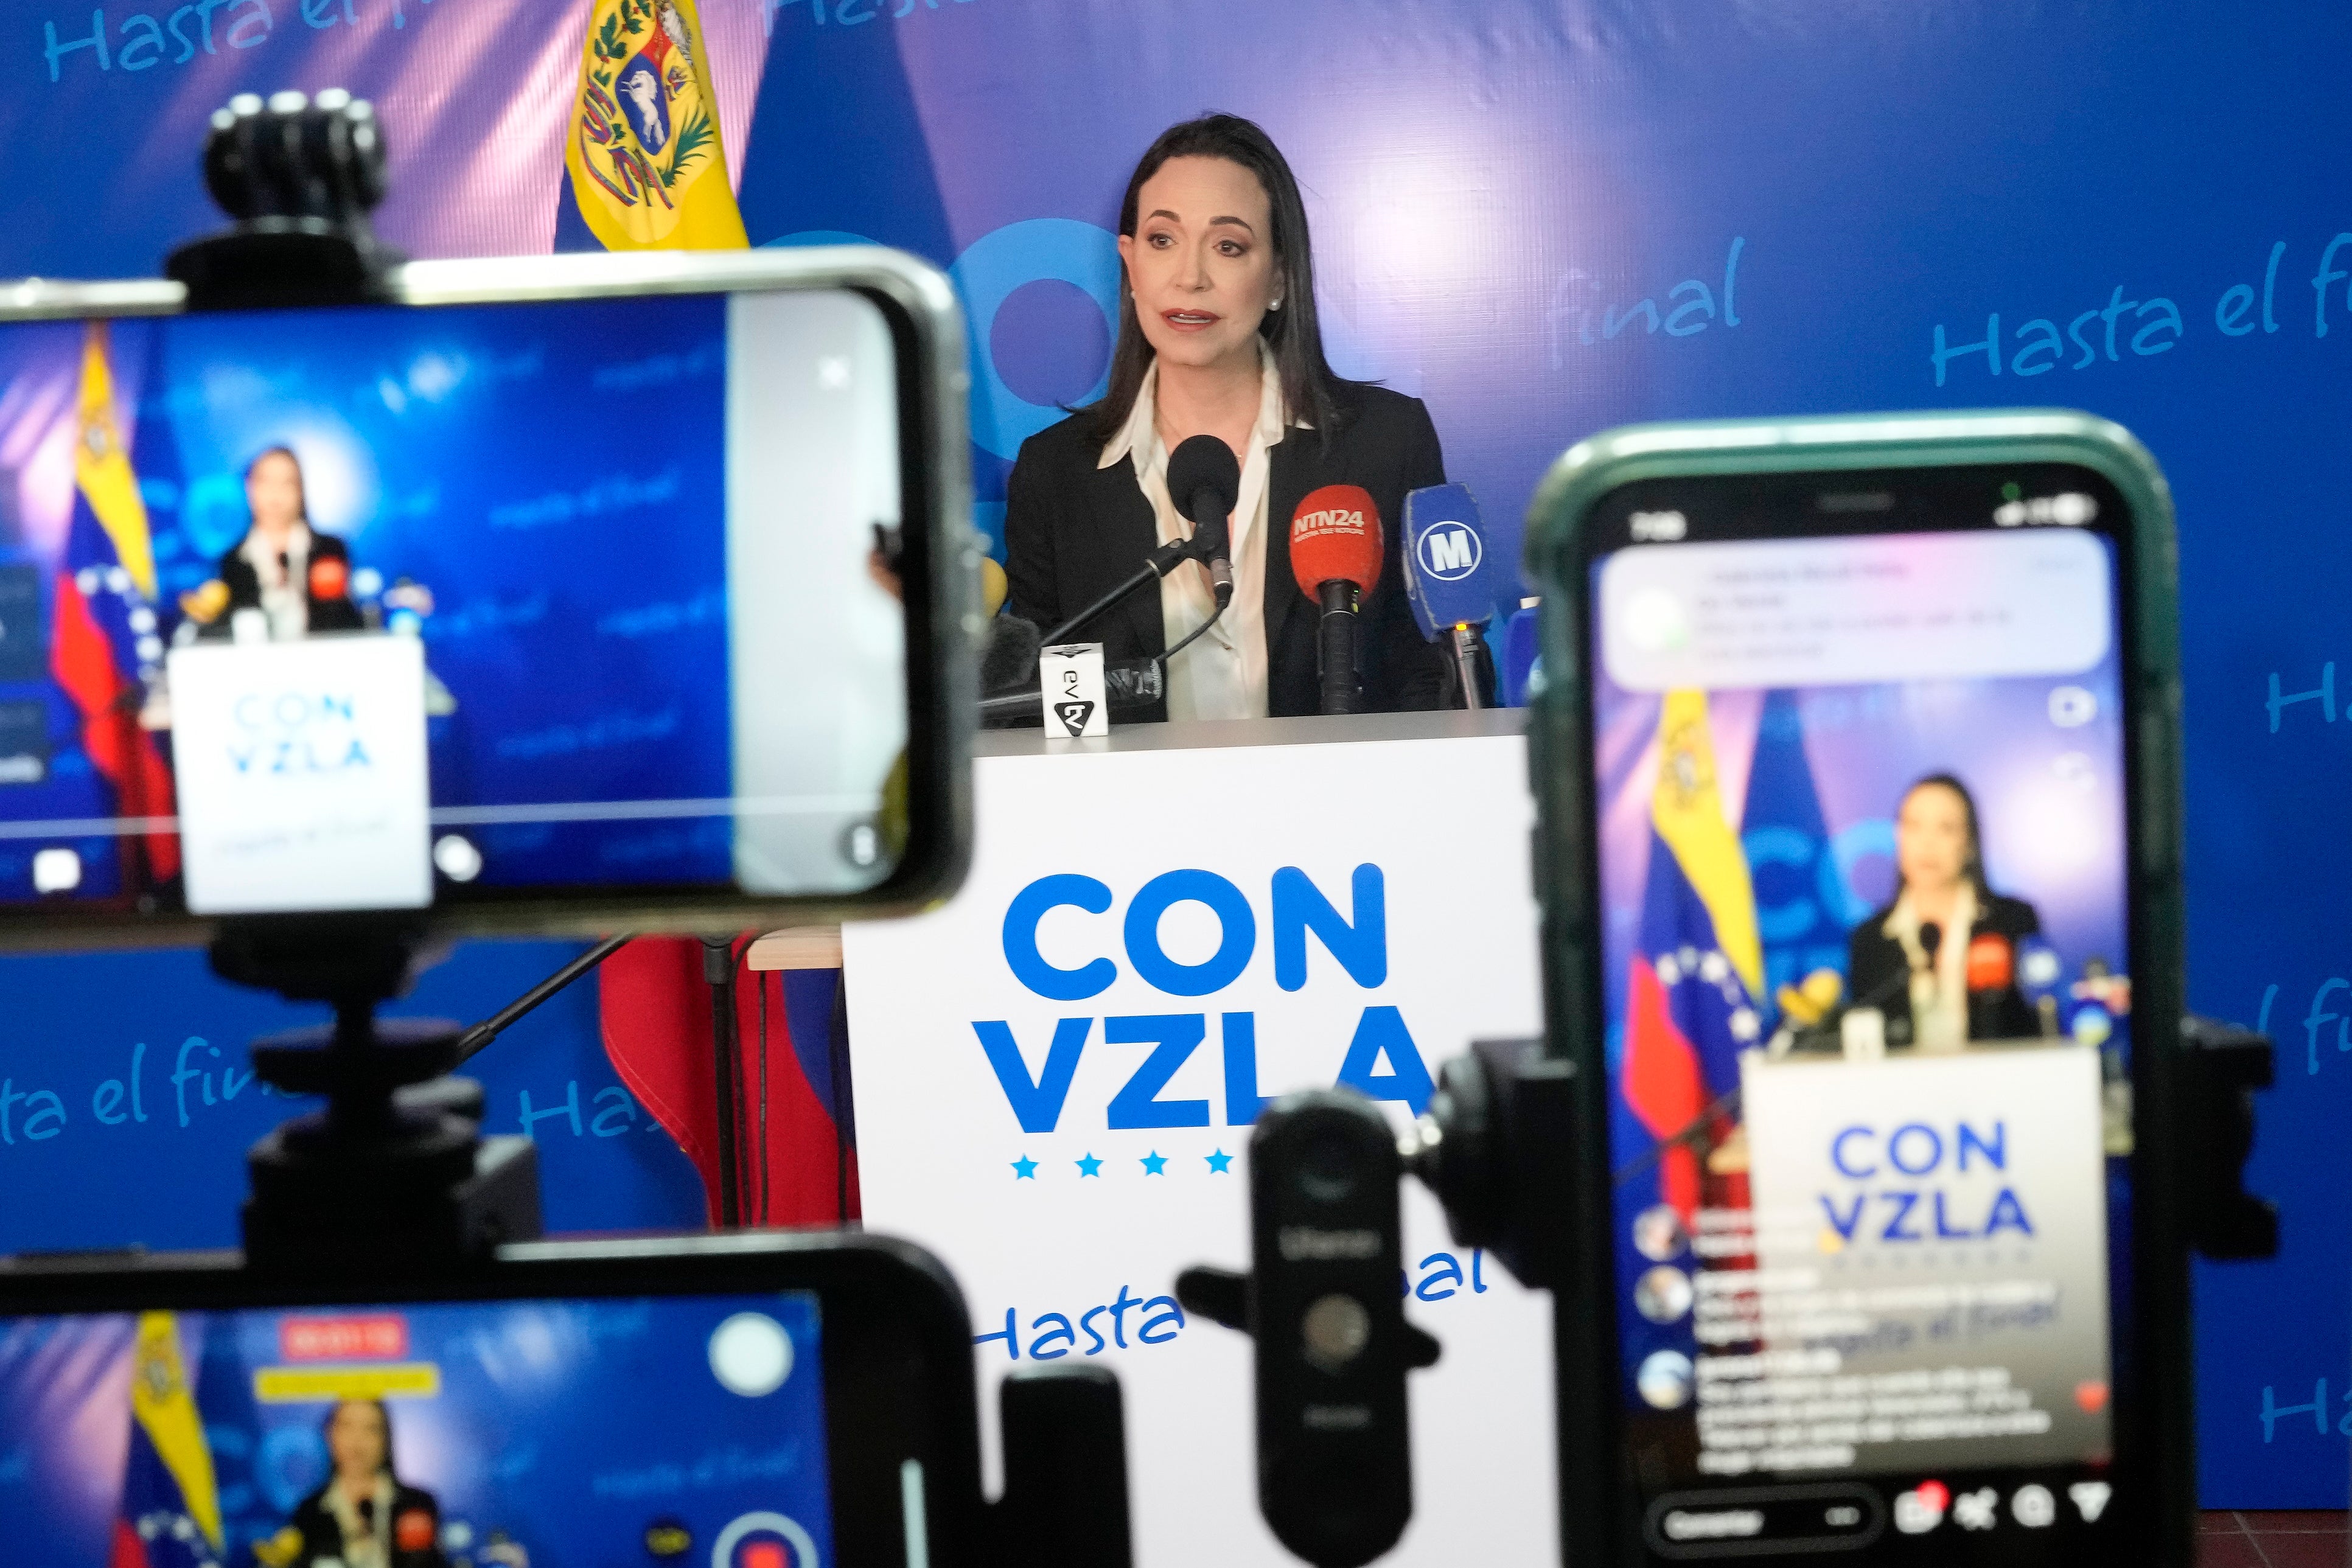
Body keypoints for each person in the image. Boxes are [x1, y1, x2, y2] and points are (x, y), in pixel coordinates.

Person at [1004, 114, 1476, 722]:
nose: (1190, 278)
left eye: (1228, 246)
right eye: (1162, 240)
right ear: (1130, 264)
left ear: (1279, 276)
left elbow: (1429, 675)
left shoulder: (1386, 441)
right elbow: (1035, 706)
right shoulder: (1055, 472)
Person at [1847, 773, 2043, 1049]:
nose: (1927, 843)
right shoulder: (1869, 939)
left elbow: (2036, 1026)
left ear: (1970, 843)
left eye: (1946, 828)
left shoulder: (2013, 921)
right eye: (1914, 826)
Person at [260, 1398, 448, 1568]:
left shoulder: (416, 1505)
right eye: (346, 1427)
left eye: (371, 1429)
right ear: (330, 1435)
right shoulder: (310, 1512)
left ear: (385, 1440)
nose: (357, 1443)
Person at [213, 447, 363, 639]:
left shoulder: (330, 550)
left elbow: (348, 624)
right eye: (265, 481)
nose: (275, 493)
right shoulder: (232, 560)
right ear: (248, 488)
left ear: (300, 490)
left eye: (287, 483)